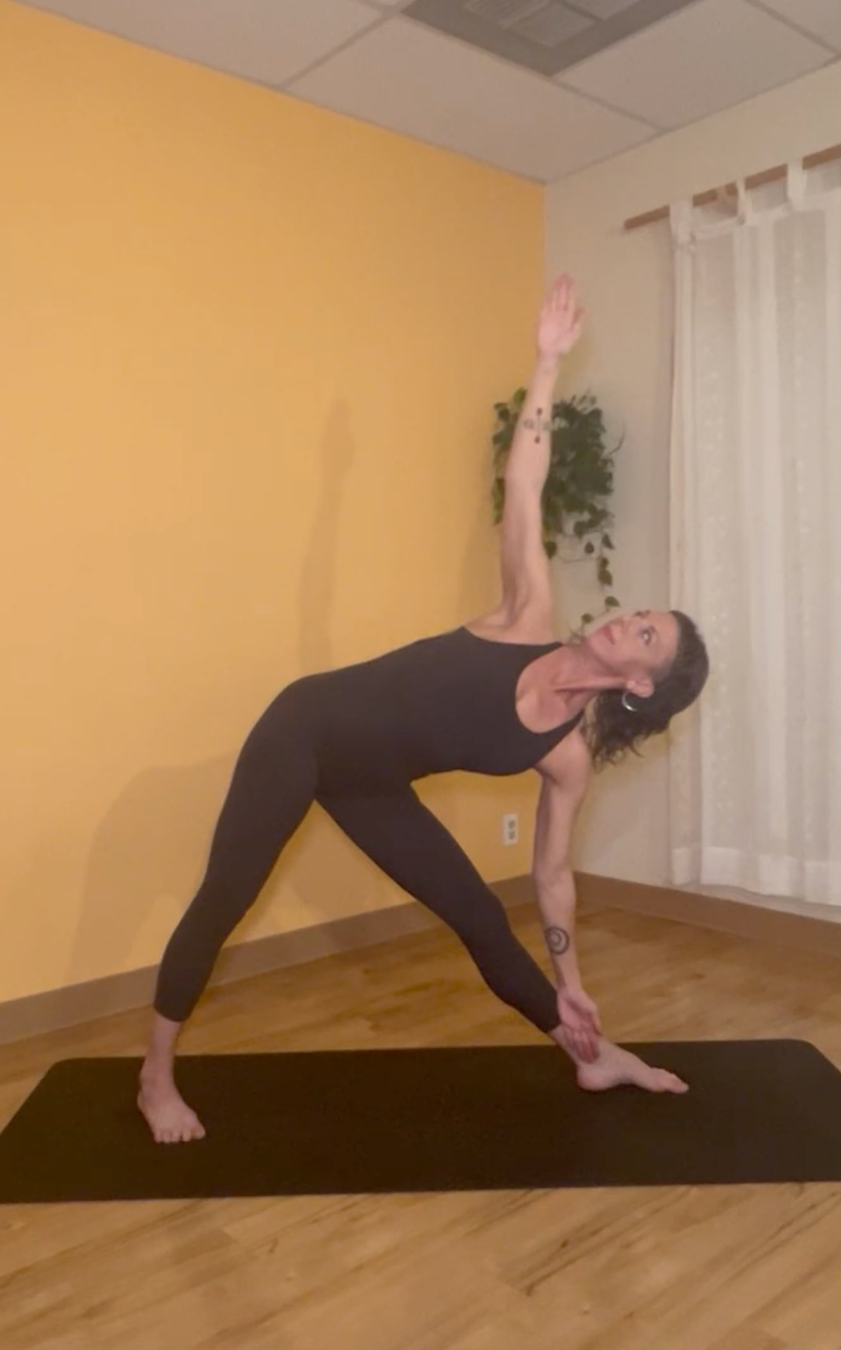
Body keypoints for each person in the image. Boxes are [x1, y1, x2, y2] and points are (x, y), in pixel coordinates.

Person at [137, 275, 712, 1143]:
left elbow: (552, 879)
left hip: (371, 784)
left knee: (481, 920)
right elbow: (526, 487)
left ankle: (589, 1053)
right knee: (226, 897)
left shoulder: (566, 757)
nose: (631, 619)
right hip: (301, 731)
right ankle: (155, 1078)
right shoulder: (527, 618)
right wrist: (547, 364)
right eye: (642, 614)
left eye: (647, 637)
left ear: (642, 686)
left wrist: (573, 979)